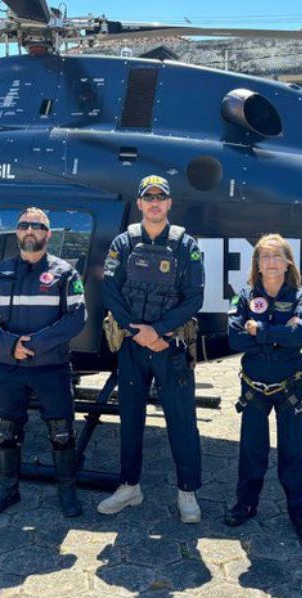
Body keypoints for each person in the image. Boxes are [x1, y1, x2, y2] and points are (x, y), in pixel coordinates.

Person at [98, 175, 205, 523]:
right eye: (149, 197)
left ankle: (186, 491)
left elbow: (194, 297)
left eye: (161, 197)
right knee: (130, 418)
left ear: (169, 204)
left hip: (170, 345)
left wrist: (158, 331)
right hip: (133, 345)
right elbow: (111, 291)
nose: (155, 203)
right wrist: (136, 330)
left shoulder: (186, 245)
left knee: (182, 421)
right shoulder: (123, 243)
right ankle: (130, 487)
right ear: (140, 203)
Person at [0, 207, 87, 517]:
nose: (29, 230)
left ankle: (67, 493)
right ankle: (7, 491)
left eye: (36, 226)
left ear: (47, 234)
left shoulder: (65, 273)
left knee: (62, 431)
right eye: (24, 225)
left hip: (50, 367)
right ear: (17, 232)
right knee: (5, 430)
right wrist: (10, 346)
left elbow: (77, 317)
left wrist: (35, 345)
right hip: (9, 366)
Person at [225, 234, 302, 539]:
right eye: (265, 257)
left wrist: (261, 330)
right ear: (257, 264)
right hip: (254, 388)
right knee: (252, 450)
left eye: (277, 256)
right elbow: (235, 338)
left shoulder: (300, 297)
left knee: (293, 451)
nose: (271, 262)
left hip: (289, 388)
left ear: (288, 261)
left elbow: (299, 336)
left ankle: (299, 512)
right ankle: (245, 504)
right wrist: (279, 333)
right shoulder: (244, 295)